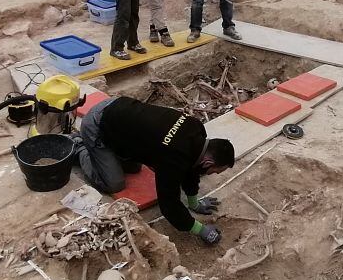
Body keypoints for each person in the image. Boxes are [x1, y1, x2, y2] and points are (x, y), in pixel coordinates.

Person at [73, 96, 235, 245]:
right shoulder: (172, 157)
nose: (210, 174)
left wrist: (194, 203)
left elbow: (191, 168)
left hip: (119, 111)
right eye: (214, 171)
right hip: (96, 124)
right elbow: (169, 204)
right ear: (208, 162)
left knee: (134, 168)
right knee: (114, 183)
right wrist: (201, 230)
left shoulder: (196, 129)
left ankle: (112, 151)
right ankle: (80, 146)